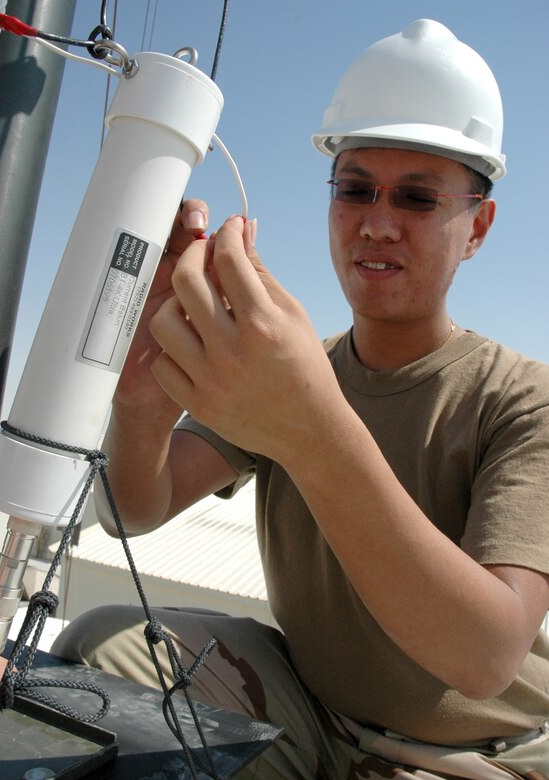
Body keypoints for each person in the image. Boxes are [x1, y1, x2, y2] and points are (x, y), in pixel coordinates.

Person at [52, 19, 549, 779]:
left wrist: (312, 429)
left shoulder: (521, 400)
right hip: (310, 709)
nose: (376, 223)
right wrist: (142, 402)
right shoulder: (289, 374)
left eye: (417, 199)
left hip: (469, 758)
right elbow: (134, 507)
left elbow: (483, 657)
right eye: (355, 189)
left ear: (477, 226)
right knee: (99, 647)